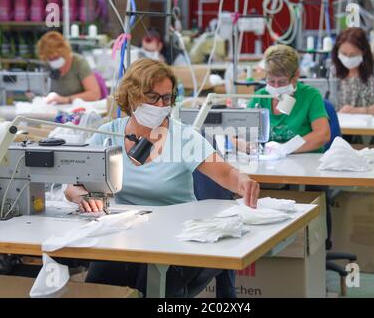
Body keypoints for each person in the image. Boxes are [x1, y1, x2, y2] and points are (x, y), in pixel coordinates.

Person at [64, 58, 260, 297]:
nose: (160, 105)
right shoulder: (107, 135)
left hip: (177, 238)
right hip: (124, 235)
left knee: (154, 286)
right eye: (152, 97)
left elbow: (226, 173)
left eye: (166, 98)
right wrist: (82, 196)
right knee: (101, 285)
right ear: (132, 96)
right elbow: (72, 187)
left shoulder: (183, 138)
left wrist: (243, 181)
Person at [245, 45, 330, 153]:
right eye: (271, 81)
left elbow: (323, 135)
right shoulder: (260, 97)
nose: (276, 87)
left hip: (305, 162)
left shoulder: (310, 96)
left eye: (282, 82)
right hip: (269, 164)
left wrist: (286, 149)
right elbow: (238, 135)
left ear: (296, 75)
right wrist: (249, 147)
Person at [331, 27, 374, 115]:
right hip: (341, 126)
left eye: (353, 54)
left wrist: (360, 111)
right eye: (344, 54)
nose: (348, 58)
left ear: (363, 52)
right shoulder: (332, 72)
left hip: (372, 126)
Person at [36, 31, 101, 104]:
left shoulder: (79, 63)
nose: (53, 61)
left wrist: (66, 99)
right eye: (50, 59)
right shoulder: (48, 65)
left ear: (64, 51)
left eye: (56, 57)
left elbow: (95, 94)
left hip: (78, 109)